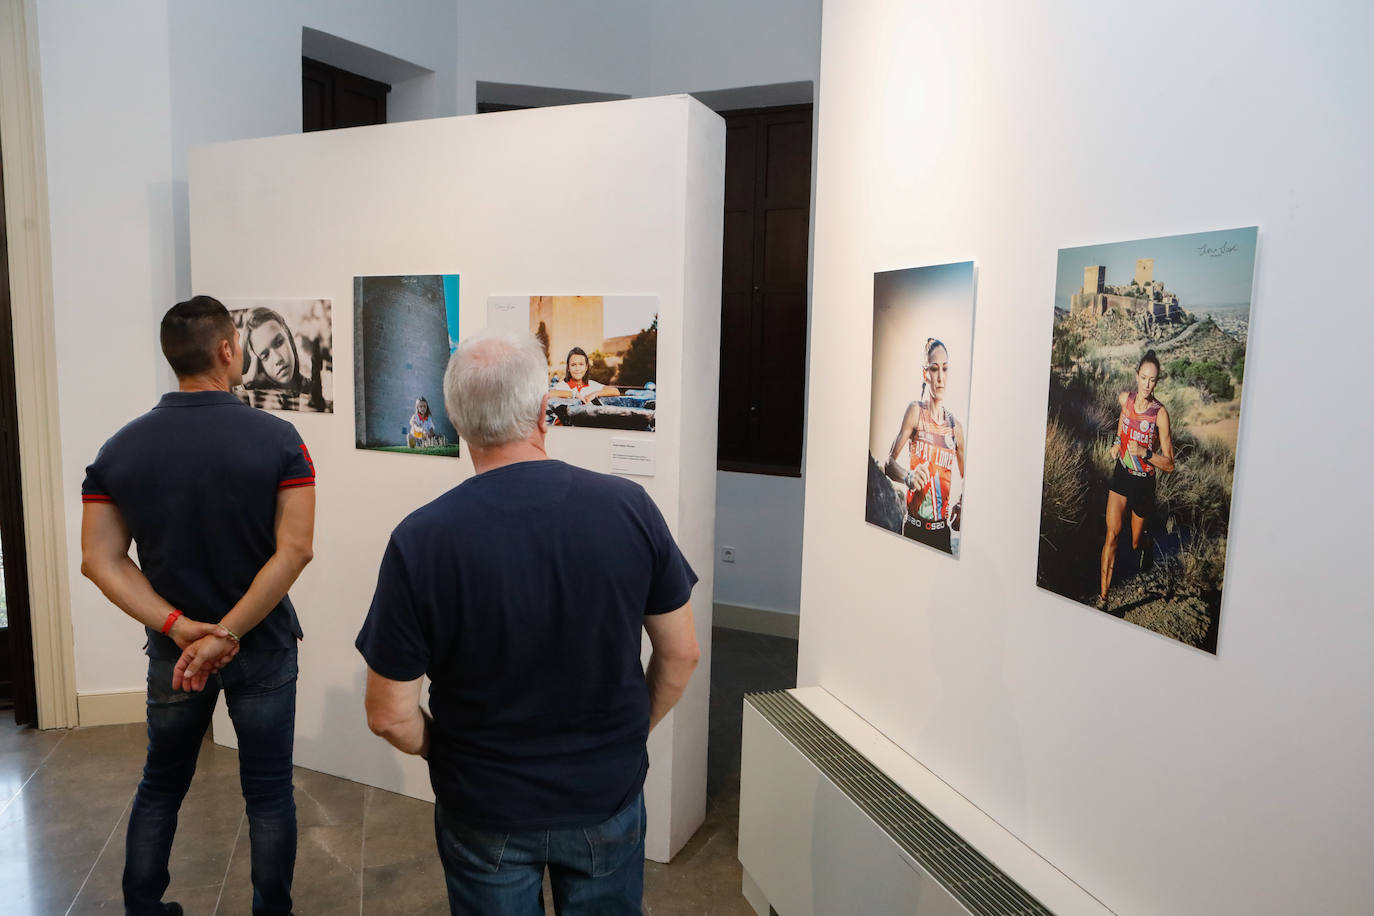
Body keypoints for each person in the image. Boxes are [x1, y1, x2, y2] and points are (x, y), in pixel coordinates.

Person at [356, 327, 700, 915]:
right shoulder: (630, 508)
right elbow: (682, 653)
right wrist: (628, 732)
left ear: (457, 421)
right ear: (546, 412)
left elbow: (389, 714)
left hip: (485, 802)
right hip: (604, 791)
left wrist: (443, 751)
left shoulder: (421, 540)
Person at [80, 295, 316, 916]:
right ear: (227, 351)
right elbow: (295, 552)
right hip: (259, 645)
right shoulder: (279, 440)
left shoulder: (119, 450)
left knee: (161, 784)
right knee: (268, 794)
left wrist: (182, 627)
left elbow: (99, 561)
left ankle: (143, 908)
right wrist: (228, 633)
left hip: (175, 653)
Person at [1098, 350, 1176, 611]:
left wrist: (1146, 453)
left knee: (1133, 541)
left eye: (1152, 380)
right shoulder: (1126, 399)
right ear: (1136, 377)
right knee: (1112, 535)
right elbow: (1123, 419)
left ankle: (1146, 543)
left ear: (1157, 382)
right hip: (1122, 476)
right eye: (1143, 378)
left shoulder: (1160, 414)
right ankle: (1104, 599)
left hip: (1144, 483)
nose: (1147, 384)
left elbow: (1170, 464)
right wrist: (1118, 441)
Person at [883, 337, 966, 554]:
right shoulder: (915, 412)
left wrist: (962, 504)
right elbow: (888, 463)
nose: (940, 378)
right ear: (925, 374)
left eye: (945, 369)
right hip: (912, 529)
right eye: (934, 369)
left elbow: (968, 476)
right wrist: (908, 477)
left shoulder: (955, 428)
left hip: (942, 534)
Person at [549, 346, 621, 403]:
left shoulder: (593, 385)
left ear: (586, 367)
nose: (577, 368)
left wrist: (594, 394)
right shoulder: (562, 386)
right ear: (568, 368)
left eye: (581, 364)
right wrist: (574, 394)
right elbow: (549, 394)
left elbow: (615, 391)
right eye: (573, 365)